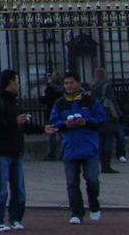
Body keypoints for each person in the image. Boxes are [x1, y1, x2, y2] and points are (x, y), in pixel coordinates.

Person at [0, 69, 43, 232]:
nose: (18, 85)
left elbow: (24, 126)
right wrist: (13, 121)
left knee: (18, 189)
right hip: (1, 149)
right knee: (1, 188)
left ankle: (15, 218)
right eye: (17, 81)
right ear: (11, 82)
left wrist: (43, 129)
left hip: (16, 149)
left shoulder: (15, 101)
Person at [46, 71, 107, 223]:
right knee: (72, 183)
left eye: (71, 83)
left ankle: (94, 205)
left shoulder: (90, 101)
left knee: (92, 180)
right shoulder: (60, 103)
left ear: (79, 84)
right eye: (66, 83)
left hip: (89, 147)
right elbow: (54, 122)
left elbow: (101, 119)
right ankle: (76, 213)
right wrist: (64, 124)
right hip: (70, 147)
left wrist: (86, 122)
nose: (68, 86)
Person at [91, 67, 124, 173]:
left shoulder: (93, 86)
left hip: (98, 114)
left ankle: (102, 164)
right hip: (108, 115)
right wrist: (118, 114)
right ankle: (107, 165)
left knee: (100, 139)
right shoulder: (106, 85)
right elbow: (112, 101)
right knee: (108, 140)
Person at [40, 72, 65, 160]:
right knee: (62, 134)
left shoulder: (49, 88)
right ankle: (63, 153)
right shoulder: (63, 89)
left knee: (52, 134)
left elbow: (43, 100)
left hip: (51, 112)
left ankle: (52, 154)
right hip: (61, 113)